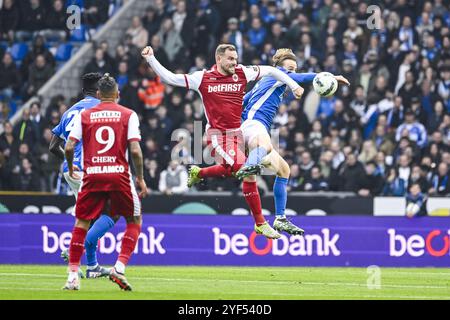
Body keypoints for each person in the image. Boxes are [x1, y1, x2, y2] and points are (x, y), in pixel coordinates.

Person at [141, 43, 304, 239]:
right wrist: (151, 59)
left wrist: (294, 86)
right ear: (219, 59)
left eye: (235, 58)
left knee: (234, 168)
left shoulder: (242, 72)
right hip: (219, 136)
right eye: (230, 59)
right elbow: (171, 78)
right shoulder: (202, 78)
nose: (234, 62)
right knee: (246, 170)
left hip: (238, 133)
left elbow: (270, 70)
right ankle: (260, 223)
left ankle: (199, 172)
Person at [234, 48, 349, 234]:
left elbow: (242, 102)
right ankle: (249, 164)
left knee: (284, 170)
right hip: (254, 125)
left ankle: (280, 219)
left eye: (294, 70)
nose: (292, 73)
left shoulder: (264, 83)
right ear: (278, 68)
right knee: (263, 147)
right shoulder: (275, 76)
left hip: (250, 127)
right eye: (289, 69)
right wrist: (329, 76)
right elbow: (303, 78)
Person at [63, 74, 148, 291]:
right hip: (118, 174)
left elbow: (69, 147)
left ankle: (73, 276)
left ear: (99, 95)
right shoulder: (128, 114)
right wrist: (139, 178)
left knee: (82, 222)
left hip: (92, 175)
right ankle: (119, 267)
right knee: (134, 219)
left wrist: (72, 168)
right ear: (117, 95)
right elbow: (136, 150)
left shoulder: (85, 115)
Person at [50, 73, 117, 279]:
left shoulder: (69, 111)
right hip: (90, 170)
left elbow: (53, 146)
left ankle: (93, 266)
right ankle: (73, 252)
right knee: (112, 212)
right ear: (99, 90)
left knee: (89, 218)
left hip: (72, 172)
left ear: (82, 91)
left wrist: (71, 165)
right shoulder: (100, 108)